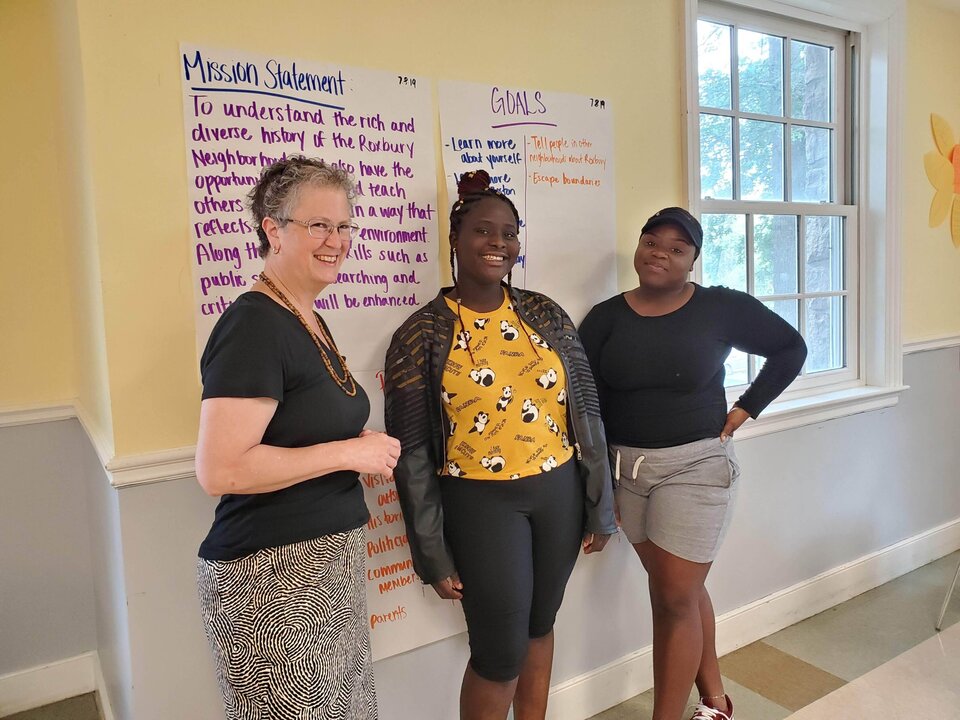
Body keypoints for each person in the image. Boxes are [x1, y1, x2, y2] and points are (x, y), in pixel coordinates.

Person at [383, 170, 617, 720]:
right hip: (480, 504)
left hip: (558, 494)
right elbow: (412, 454)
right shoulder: (419, 334)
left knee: (540, 627)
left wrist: (600, 505)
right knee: (497, 653)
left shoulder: (545, 315)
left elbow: (585, 411)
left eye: (509, 233)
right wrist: (430, 551)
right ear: (455, 241)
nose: (499, 244)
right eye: (484, 232)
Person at [579, 207, 807, 720]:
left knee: (674, 599)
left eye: (677, 248)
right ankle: (717, 700)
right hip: (627, 472)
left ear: (693, 261)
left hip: (697, 466)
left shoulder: (719, 308)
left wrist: (746, 408)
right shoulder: (605, 318)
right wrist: (596, 484)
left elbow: (790, 348)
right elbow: (587, 402)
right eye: (651, 240)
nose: (660, 253)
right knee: (678, 591)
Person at [194, 156, 400, 719]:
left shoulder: (305, 314)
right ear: (273, 229)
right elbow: (221, 470)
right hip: (274, 579)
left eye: (343, 226)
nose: (335, 240)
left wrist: (352, 450)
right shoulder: (254, 324)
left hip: (327, 566)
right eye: (318, 225)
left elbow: (296, 430)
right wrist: (346, 451)